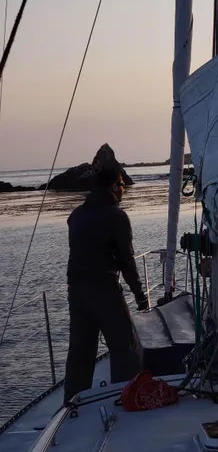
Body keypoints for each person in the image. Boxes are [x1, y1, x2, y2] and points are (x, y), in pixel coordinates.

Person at [63, 168, 148, 404]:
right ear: (113, 187)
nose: (124, 189)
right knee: (126, 348)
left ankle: (71, 404)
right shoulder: (116, 216)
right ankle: (125, 398)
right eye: (122, 185)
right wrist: (140, 294)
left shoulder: (76, 216)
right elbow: (126, 260)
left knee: (81, 353)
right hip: (104, 289)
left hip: (77, 291)